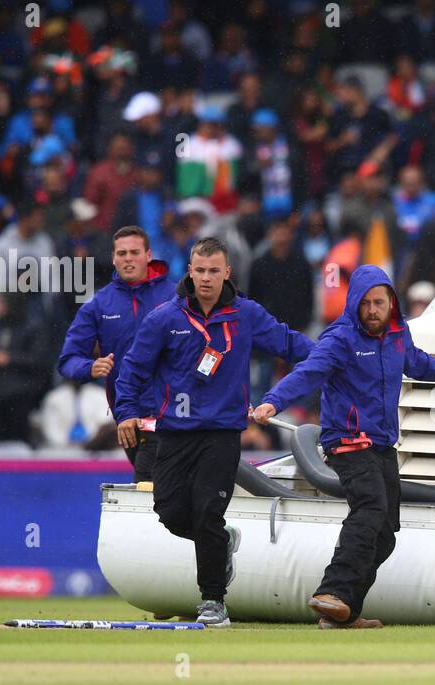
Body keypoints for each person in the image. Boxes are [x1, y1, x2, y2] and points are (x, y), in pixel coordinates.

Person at [252, 265, 435, 629]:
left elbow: (417, 363)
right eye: (366, 304)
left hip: (382, 443)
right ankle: (333, 593)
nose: (373, 310)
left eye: (380, 302)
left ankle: (343, 613)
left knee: (386, 533)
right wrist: (274, 400)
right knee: (371, 507)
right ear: (355, 303)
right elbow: (309, 372)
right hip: (347, 442)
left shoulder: (398, 333)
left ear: (391, 302)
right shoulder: (339, 338)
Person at [113, 237, 313, 627]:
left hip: (221, 434)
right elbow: (133, 369)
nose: (206, 278)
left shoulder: (246, 315)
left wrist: (329, 354)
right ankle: (220, 544)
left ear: (227, 273)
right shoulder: (164, 319)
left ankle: (213, 602)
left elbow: (288, 343)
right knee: (169, 512)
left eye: (213, 271)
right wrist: (126, 413)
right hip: (174, 432)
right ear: (189, 271)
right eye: (199, 270)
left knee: (207, 512)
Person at [58, 226, 174, 481]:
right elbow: (67, 359)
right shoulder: (99, 304)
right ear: (113, 258)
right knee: (159, 494)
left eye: (134, 252)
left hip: (170, 414)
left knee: (149, 486)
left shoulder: (175, 296)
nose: (128, 259)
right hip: (126, 418)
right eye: (122, 253)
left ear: (148, 255)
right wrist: (89, 367)